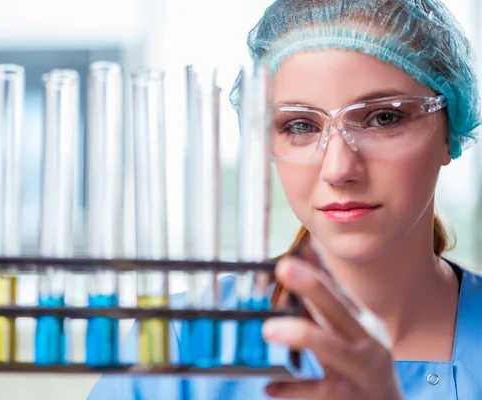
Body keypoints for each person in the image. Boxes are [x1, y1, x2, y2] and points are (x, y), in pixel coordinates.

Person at [88, 0, 482, 398]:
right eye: (300, 125)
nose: (338, 169)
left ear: (450, 130)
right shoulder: (185, 339)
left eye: (384, 117)